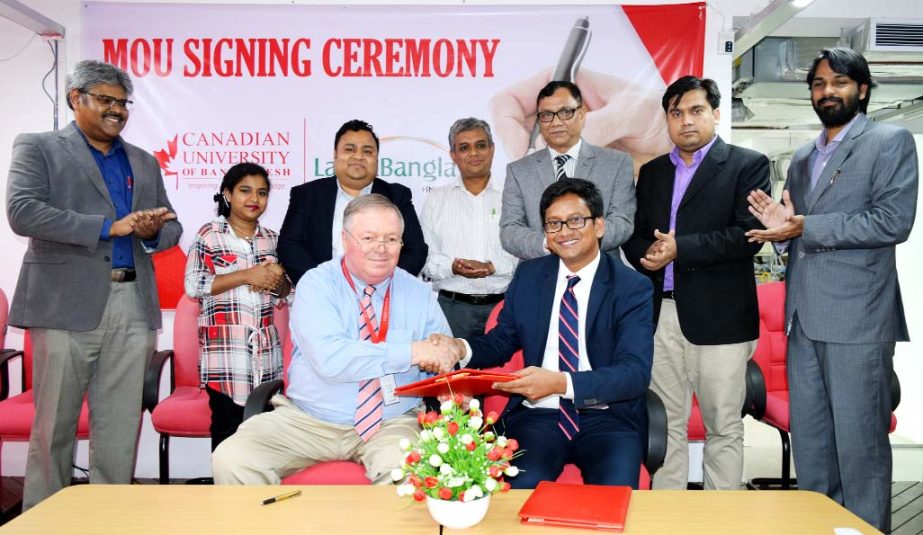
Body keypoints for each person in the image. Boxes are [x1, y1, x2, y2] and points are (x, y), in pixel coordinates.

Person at [746, 47, 918, 532]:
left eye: (839, 82)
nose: (828, 92)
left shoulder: (889, 140)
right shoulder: (802, 157)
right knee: (814, 445)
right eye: (819, 84)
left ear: (862, 89)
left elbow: (892, 221)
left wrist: (804, 226)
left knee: (859, 445)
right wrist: (781, 233)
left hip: (859, 319)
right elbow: (798, 236)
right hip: (803, 320)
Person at [5, 60, 182, 509]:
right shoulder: (39, 147)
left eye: (123, 103)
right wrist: (109, 227)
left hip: (132, 303)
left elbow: (170, 225)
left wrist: (149, 231)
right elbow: (22, 212)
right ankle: (43, 518)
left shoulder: (143, 161)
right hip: (64, 305)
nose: (117, 110)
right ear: (75, 99)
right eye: (105, 100)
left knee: (120, 428)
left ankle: (109, 518)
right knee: (55, 427)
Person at [212, 194, 457, 485]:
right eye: (368, 237)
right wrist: (411, 352)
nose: (381, 248)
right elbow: (332, 359)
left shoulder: (418, 292)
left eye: (392, 239)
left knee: (406, 474)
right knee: (232, 459)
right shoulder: (316, 284)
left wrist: (449, 376)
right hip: (307, 421)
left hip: (390, 421)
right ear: (345, 238)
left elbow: (443, 356)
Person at [437, 179, 654, 488]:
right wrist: (459, 348)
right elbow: (502, 341)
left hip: (607, 417)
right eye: (554, 224)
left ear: (600, 225)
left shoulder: (631, 287)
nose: (564, 232)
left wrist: (560, 383)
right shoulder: (530, 275)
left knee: (613, 498)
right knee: (518, 494)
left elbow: (634, 373)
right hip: (538, 417)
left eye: (575, 221)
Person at [622, 76, 770, 490]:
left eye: (696, 110)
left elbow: (749, 235)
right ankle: (669, 519)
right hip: (660, 315)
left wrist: (679, 249)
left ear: (716, 114)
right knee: (664, 423)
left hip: (720, 319)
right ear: (667, 120)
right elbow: (636, 234)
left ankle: (720, 520)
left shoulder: (747, 164)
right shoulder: (651, 172)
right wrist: (645, 256)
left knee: (723, 424)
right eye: (676, 113)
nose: (686, 120)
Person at [184, 162, 291, 450]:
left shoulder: (273, 239)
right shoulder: (209, 235)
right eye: (245, 191)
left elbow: (288, 295)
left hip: (266, 359)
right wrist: (247, 275)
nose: (254, 199)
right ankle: (226, 496)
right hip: (225, 360)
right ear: (228, 194)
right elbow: (194, 285)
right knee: (227, 435)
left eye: (262, 192)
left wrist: (277, 278)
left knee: (265, 440)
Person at [277, 119, 427, 287]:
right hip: (323, 294)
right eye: (350, 149)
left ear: (376, 159)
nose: (358, 156)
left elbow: (416, 250)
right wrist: (321, 284)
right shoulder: (307, 195)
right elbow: (289, 246)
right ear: (335, 155)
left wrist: (380, 285)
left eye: (367, 151)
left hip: (382, 297)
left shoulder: (397, 196)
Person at [499, 81, 637, 261]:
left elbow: (622, 223)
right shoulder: (519, 171)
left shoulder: (616, 163)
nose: (556, 122)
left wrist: (578, 241)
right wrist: (550, 242)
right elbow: (510, 230)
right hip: (542, 275)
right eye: (547, 115)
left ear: (581, 115)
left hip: (601, 277)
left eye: (565, 112)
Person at [421, 118, 518, 339]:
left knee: (503, 375)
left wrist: (493, 266)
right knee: (453, 373)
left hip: (505, 308)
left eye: (481, 145)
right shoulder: (437, 199)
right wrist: (452, 267)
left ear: (492, 150)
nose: (474, 153)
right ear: (453, 155)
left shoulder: (513, 196)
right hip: (452, 310)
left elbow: (526, 254)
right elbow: (424, 258)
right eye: (464, 147)